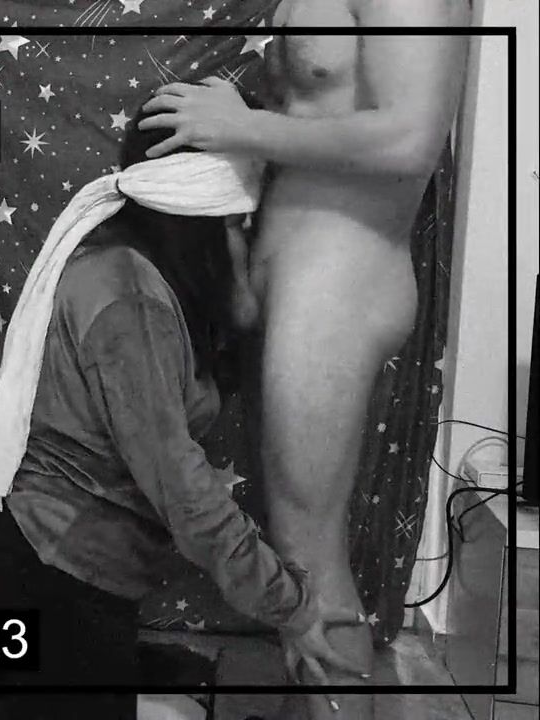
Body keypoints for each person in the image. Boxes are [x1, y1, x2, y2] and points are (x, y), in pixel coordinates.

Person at [0, 109, 365, 719]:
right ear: (199, 222)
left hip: (81, 563)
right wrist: (292, 606)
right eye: (239, 226)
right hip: (54, 564)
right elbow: (183, 489)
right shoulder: (129, 300)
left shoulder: (136, 274)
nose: (248, 246)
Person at [138, 2, 470, 718]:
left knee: (312, 563)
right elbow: (323, 114)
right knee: (293, 564)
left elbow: (412, 139)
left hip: (337, 282)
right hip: (294, 277)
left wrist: (239, 127)